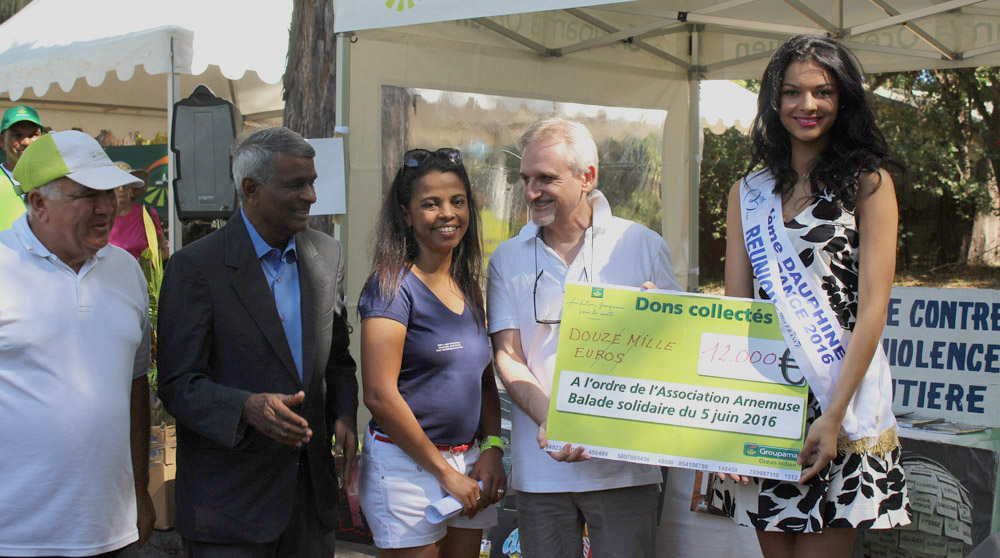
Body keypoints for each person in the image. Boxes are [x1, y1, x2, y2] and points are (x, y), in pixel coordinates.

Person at [715, 35, 911, 557]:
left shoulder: (868, 184)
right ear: (774, 101)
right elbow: (738, 308)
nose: (808, 105)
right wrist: (724, 418)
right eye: (793, 92)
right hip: (769, 403)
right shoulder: (747, 192)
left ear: (842, 98)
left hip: (838, 400)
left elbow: (873, 306)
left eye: (822, 92)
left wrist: (833, 412)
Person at [156, 126, 359, 558]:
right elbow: (177, 384)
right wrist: (244, 408)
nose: (311, 197)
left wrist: (343, 413)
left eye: (313, 182)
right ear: (251, 189)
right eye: (296, 185)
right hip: (230, 511)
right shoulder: (194, 268)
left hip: (310, 507)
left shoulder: (326, 255)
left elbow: (337, 357)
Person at [487, 117, 681, 558]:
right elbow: (508, 355)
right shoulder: (506, 257)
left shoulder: (643, 244)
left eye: (546, 178)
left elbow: (675, 351)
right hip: (542, 468)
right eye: (526, 179)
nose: (532, 191)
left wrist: (661, 322)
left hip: (626, 470)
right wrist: (552, 421)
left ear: (586, 177)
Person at [0, 130, 154, 556]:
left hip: (111, 531)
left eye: (110, 193)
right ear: (38, 204)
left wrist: (140, 491)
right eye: (87, 195)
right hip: (14, 536)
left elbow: (136, 385)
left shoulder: (126, 270)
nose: (106, 208)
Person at [358, 148, 506, 557]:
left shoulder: (469, 287)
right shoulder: (390, 287)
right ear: (406, 215)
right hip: (407, 469)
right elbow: (378, 395)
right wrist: (444, 473)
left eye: (457, 201)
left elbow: (484, 383)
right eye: (431, 203)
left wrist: (492, 448)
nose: (448, 213)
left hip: (468, 463)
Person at [0, 104, 42, 230]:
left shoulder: (54, 179)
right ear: (1, 140)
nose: (26, 142)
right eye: (17, 135)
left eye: (33, 135)